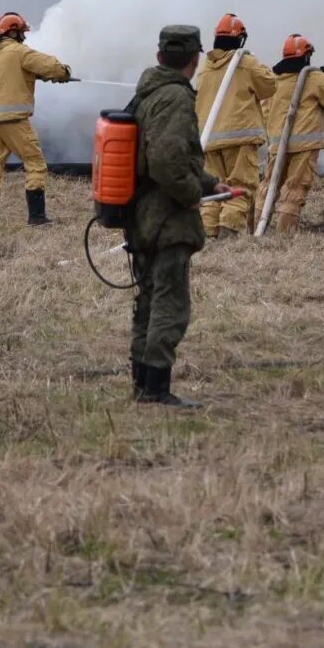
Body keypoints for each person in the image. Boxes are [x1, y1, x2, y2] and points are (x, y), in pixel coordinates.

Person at [126, 24, 236, 407]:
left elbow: (168, 156)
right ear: (196, 58)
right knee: (169, 306)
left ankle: (142, 382)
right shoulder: (174, 98)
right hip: (166, 219)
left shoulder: (148, 93)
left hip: (142, 214)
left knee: (149, 299)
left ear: (159, 56)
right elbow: (165, 162)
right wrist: (192, 195)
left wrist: (208, 184)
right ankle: (156, 388)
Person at [0, 12, 72, 224]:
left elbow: (13, 76)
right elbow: (49, 66)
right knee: (35, 163)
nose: (23, 38)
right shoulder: (19, 52)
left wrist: (36, 76)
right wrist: (63, 73)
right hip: (13, 120)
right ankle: (37, 218)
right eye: (21, 33)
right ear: (12, 32)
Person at [193, 13, 276, 239]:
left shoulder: (204, 67)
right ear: (240, 39)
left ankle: (207, 233)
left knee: (213, 189)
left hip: (209, 140)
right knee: (240, 186)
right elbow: (269, 87)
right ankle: (228, 235)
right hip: (239, 138)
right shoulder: (245, 62)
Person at [258, 34, 324, 234]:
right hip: (304, 148)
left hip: (276, 145)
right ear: (306, 56)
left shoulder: (273, 79)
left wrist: (274, 134)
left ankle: (255, 228)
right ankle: (285, 235)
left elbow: (264, 111)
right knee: (294, 190)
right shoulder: (313, 77)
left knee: (267, 187)